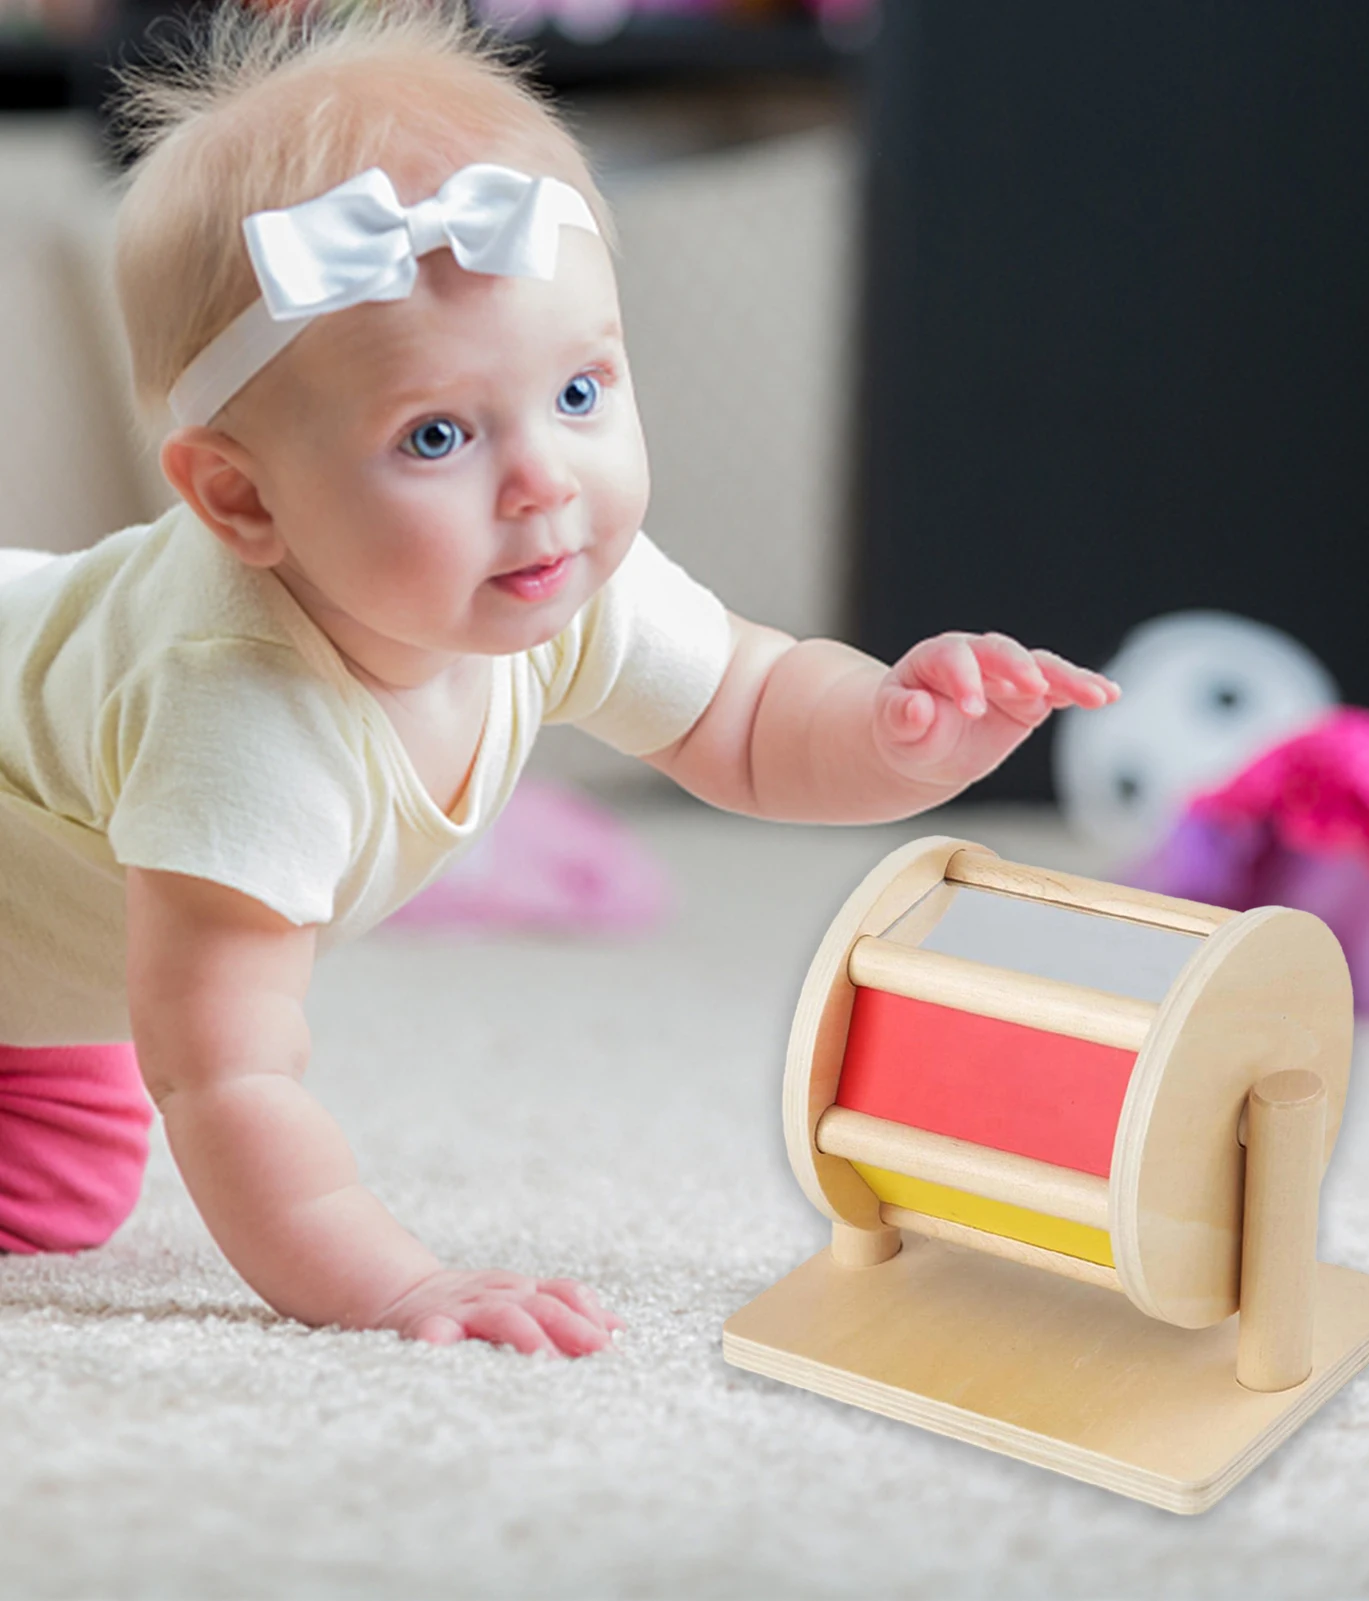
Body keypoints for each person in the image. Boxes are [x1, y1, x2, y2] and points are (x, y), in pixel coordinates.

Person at [0, 1, 1117, 1357]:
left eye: (580, 394)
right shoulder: (233, 715)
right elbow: (223, 1070)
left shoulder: (554, 566)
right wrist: (397, 1286)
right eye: (435, 434)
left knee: (56, 1195)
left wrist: (906, 730)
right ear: (241, 502)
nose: (542, 481)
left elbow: (751, 721)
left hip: (50, 943)